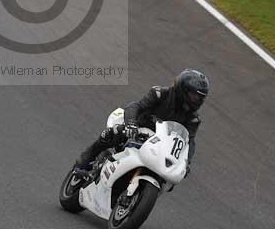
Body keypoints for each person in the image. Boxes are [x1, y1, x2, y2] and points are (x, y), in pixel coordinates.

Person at [74, 69, 210, 176]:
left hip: (159, 145)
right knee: (112, 133)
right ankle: (83, 163)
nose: (197, 100)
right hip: (137, 129)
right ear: (182, 89)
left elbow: (189, 141)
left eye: (200, 98)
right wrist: (131, 124)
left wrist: (187, 163)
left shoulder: (193, 119)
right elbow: (136, 106)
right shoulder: (160, 94)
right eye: (194, 96)